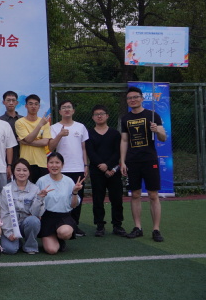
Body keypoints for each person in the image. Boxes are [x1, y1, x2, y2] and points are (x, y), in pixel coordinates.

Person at [120, 86, 167, 242]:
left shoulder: (152, 115)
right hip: (132, 161)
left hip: (149, 159)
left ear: (142, 98)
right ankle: (137, 227)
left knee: (153, 195)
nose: (132, 100)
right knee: (135, 195)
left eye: (135, 97)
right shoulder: (125, 118)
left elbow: (163, 138)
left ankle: (156, 229)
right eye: (129, 98)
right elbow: (124, 140)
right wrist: (122, 161)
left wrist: (157, 130)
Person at [49, 100, 88, 236]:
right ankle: (62, 225)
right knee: (63, 198)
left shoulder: (81, 127)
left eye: (69, 107)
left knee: (77, 197)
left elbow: (84, 148)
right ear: (59, 111)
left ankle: (75, 225)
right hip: (61, 169)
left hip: (78, 168)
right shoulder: (54, 127)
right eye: (64, 107)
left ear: (73, 111)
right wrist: (60, 135)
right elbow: (51, 147)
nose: (66, 109)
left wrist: (85, 165)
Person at [86, 105, 126, 237]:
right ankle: (100, 225)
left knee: (117, 199)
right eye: (96, 114)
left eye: (102, 113)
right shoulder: (89, 134)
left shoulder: (115, 133)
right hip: (97, 171)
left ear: (107, 116)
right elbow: (90, 152)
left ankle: (117, 225)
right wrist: (101, 166)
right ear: (93, 117)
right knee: (98, 199)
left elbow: (117, 152)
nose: (99, 116)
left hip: (113, 171)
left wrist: (108, 166)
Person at [36, 152, 85, 254]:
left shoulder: (69, 181)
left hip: (64, 217)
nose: (54, 165)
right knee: (52, 250)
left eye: (57, 162)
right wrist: (40, 197)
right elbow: (35, 202)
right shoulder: (41, 181)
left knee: (64, 232)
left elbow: (73, 205)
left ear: (62, 165)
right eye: (51, 162)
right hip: (47, 217)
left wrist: (75, 192)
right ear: (47, 165)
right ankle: (53, 238)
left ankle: (60, 237)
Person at [0, 159, 43, 254]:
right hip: (11, 225)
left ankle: (30, 246)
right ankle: (17, 241)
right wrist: (9, 233)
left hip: (26, 224)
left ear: (29, 172)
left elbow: (35, 214)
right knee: (9, 250)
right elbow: (4, 213)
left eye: (25, 170)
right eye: (18, 170)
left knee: (33, 220)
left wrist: (39, 198)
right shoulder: (6, 189)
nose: (21, 173)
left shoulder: (35, 189)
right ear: (13, 172)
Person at [15, 94, 52, 184]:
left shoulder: (45, 122)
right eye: (30, 104)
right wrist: (39, 125)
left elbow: (45, 142)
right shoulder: (20, 122)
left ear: (39, 106)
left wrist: (27, 142)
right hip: (26, 163)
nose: (33, 106)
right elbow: (28, 139)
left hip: (42, 163)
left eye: (36, 104)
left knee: (42, 190)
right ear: (26, 106)